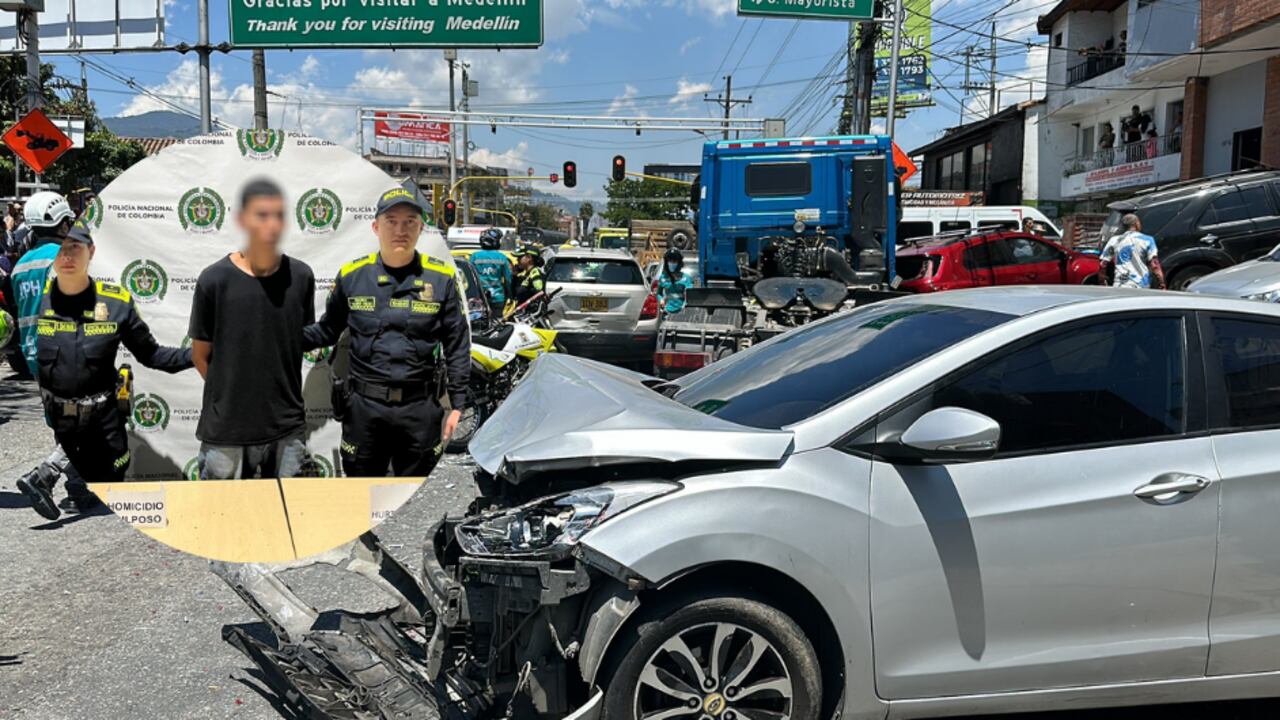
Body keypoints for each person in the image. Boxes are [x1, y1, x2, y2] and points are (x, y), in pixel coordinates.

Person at [18, 220, 192, 518]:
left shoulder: (24, 266)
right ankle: (60, 480)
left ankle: (68, 484)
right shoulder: (68, 272)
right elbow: (151, 354)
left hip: (40, 358)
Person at [302, 188, 469, 477]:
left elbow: (457, 345)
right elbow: (327, 332)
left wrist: (458, 405)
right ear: (376, 227)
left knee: (414, 504)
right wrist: (276, 335)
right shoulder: (353, 277)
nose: (400, 230)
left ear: (421, 228)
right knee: (360, 500)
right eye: (391, 221)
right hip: (364, 411)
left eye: (410, 222)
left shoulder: (441, 279)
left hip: (420, 410)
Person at [189, 179, 315, 480]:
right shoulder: (213, 280)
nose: (270, 225)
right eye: (261, 215)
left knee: (288, 521)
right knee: (221, 519)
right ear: (242, 220)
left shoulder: (301, 276)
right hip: (227, 432)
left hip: (287, 428)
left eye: (278, 215)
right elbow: (200, 356)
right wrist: (237, 393)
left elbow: (293, 341)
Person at [7, 192, 96, 517]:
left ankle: (78, 488)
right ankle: (43, 476)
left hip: (35, 355)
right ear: (62, 222)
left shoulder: (20, 266)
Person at [1100, 213, 1165, 290]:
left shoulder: (1114, 240)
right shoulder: (1147, 240)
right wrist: (1161, 283)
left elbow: (1103, 264)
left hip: (1120, 285)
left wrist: (1102, 281)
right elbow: (1155, 265)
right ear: (1136, 224)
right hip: (1141, 285)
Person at [472, 227, 512, 317]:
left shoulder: (474, 256)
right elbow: (508, 279)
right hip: (497, 297)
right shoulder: (502, 257)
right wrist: (510, 295)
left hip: (479, 298)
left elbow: (470, 277)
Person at [656, 248, 694, 315]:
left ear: (679, 263)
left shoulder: (686, 278)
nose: (671, 263)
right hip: (666, 312)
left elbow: (690, 296)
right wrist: (661, 300)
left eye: (674, 261)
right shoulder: (662, 277)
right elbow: (658, 293)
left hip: (682, 312)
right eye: (669, 261)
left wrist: (684, 306)